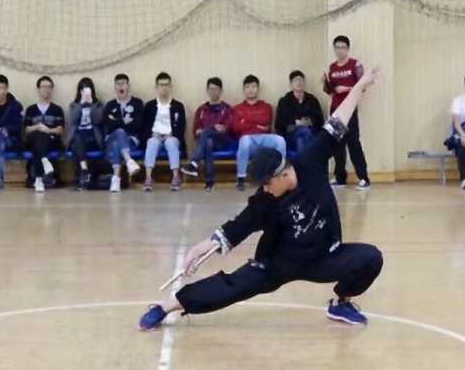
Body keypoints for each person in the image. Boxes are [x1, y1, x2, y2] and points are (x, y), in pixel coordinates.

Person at [138, 68, 384, 331]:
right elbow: (238, 227)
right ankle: (166, 306)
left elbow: (338, 120)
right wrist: (201, 248)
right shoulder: (265, 200)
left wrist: (360, 85)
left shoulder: (310, 162)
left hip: (324, 256)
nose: (264, 189)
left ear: (283, 174)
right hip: (280, 262)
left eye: (267, 183)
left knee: (371, 258)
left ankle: (341, 302)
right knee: (232, 286)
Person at [323, 35, 371, 190]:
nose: (340, 50)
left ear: (348, 48)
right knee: (337, 144)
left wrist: (347, 89)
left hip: (350, 109)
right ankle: (340, 178)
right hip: (336, 110)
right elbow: (330, 91)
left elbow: (363, 86)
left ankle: (364, 178)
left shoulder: (355, 65)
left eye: (343, 47)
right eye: (337, 47)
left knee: (353, 143)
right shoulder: (332, 67)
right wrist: (325, 83)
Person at [232, 75, 286, 191]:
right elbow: (236, 127)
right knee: (244, 140)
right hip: (249, 141)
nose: (251, 89)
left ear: (258, 88)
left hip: (264, 138)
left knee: (280, 140)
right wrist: (257, 125)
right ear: (244, 89)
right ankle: (241, 178)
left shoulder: (266, 106)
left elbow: (266, 121)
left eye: (253, 86)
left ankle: (280, 174)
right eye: (247, 87)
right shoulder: (237, 108)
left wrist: (245, 121)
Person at [181, 77, 234, 191]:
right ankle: (209, 182)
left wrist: (208, 129)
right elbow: (196, 131)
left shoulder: (227, 109)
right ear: (207, 90)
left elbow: (227, 129)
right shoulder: (201, 109)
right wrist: (214, 127)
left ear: (221, 91)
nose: (213, 92)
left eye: (216, 89)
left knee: (206, 136)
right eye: (211, 89)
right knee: (208, 142)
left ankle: (194, 163)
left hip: (221, 142)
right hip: (205, 142)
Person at [142, 72, 187, 192]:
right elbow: (144, 126)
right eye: (161, 85)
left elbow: (182, 127)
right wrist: (152, 135)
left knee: (171, 143)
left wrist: (171, 135)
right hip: (155, 135)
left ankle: (176, 177)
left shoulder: (178, 106)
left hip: (171, 136)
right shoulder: (150, 106)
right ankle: (148, 177)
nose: (164, 88)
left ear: (170, 86)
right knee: (152, 143)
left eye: (167, 85)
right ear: (156, 87)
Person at [23, 76, 65, 193]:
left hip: (51, 141)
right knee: (37, 136)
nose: (47, 89)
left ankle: (38, 179)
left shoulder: (57, 109)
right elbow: (26, 130)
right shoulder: (31, 109)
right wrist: (37, 127)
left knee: (39, 141)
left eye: (49, 87)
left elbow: (60, 130)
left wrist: (48, 130)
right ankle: (44, 160)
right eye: (44, 87)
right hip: (32, 140)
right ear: (38, 89)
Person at [103, 73, 143, 192]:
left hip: (131, 139)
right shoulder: (110, 105)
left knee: (118, 142)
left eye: (123, 84)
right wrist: (125, 123)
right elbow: (109, 126)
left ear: (128, 86)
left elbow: (138, 124)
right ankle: (129, 160)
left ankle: (116, 178)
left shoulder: (137, 103)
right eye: (118, 84)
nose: (121, 86)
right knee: (119, 133)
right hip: (111, 138)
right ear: (115, 87)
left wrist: (117, 122)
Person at [67, 77, 104, 190]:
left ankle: (82, 176)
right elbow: (73, 120)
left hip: (93, 137)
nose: (85, 92)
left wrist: (91, 105)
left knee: (76, 143)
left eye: (88, 89)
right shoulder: (73, 105)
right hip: (79, 136)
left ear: (92, 91)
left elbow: (97, 120)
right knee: (77, 139)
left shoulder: (98, 104)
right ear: (79, 91)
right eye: (83, 90)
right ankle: (84, 171)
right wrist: (81, 104)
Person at [275, 70, 324, 154]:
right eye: (295, 80)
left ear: (304, 83)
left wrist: (309, 121)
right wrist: (298, 123)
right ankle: (307, 161)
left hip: (311, 131)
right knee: (304, 134)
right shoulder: (284, 101)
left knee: (302, 139)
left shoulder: (312, 100)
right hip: (291, 134)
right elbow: (279, 124)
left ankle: (303, 161)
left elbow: (320, 120)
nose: (298, 82)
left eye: (301, 80)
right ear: (291, 84)